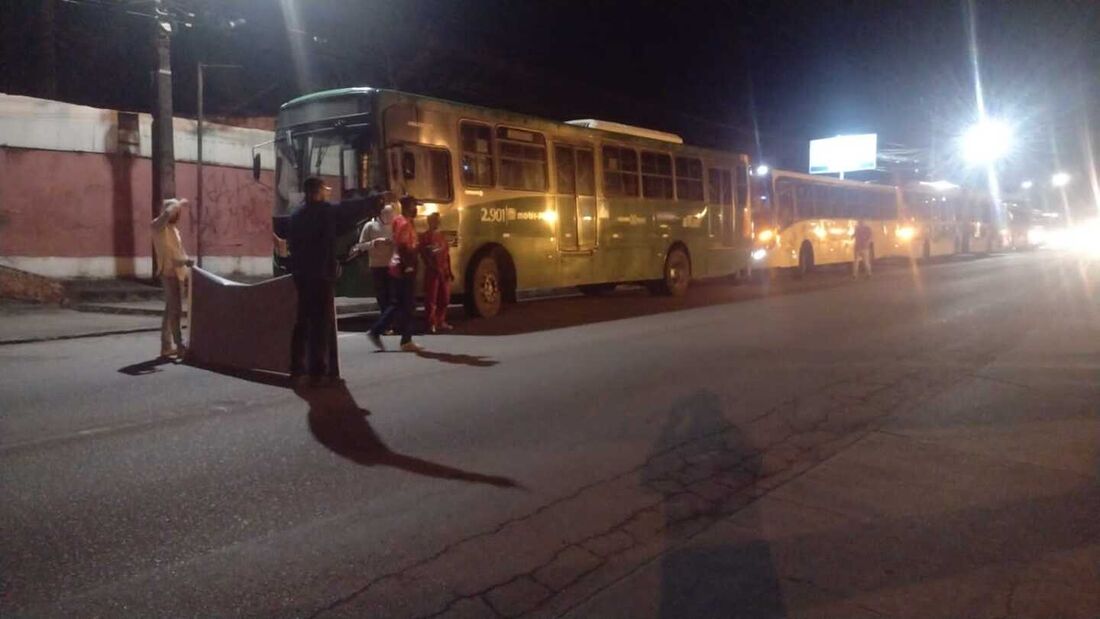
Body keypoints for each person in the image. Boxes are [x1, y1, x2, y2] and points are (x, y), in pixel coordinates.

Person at [287, 177, 342, 385]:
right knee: (320, 323)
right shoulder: (325, 212)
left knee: (302, 321)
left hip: (302, 276)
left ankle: (296, 367)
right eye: (323, 190)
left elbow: (292, 246)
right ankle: (318, 370)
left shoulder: (296, 216)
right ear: (317, 192)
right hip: (321, 276)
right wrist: (332, 268)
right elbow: (329, 243)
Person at [368, 195, 423, 352]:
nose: (417, 209)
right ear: (408, 206)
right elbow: (404, 246)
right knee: (406, 305)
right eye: (414, 205)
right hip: (403, 269)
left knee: (400, 304)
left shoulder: (400, 220)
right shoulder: (404, 223)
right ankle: (400, 339)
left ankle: (400, 338)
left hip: (398, 267)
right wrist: (408, 266)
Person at [151, 198, 193, 358]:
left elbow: (179, 253)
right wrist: (178, 203)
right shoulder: (157, 226)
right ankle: (179, 345)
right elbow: (173, 259)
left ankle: (166, 347)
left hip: (179, 273)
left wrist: (187, 266)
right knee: (175, 311)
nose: (178, 214)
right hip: (168, 274)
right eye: (177, 212)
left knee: (170, 310)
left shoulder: (174, 230)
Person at [353, 203, 396, 320]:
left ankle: (392, 322)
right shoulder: (370, 226)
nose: (389, 216)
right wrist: (374, 243)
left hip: (393, 265)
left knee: (393, 295)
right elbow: (360, 246)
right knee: (382, 296)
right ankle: (386, 322)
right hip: (377, 265)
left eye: (391, 213)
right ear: (380, 214)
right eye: (386, 213)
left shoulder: (395, 225)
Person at [419, 212, 454, 333]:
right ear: (429, 221)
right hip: (432, 271)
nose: (438, 222)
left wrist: (449, 271)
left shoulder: (441, 236)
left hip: (443, 271)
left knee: (444, 298)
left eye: (438, 220)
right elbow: (424, 255)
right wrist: (432, 266)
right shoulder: (424, 237)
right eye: (435, 220)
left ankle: (441, 321)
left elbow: (447, 254)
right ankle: (431, 323)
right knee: (431, 299)